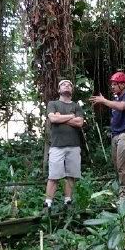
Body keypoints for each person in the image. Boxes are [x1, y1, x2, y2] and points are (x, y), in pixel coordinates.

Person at [91, 71, 125, 200]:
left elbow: (121, 107)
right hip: (115, 135)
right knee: (118, 167)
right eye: (112, 84)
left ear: (123, 85)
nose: (112, 86)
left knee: (123, 167)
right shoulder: (115, 99)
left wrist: (104, 100)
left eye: (115, 84)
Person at [44, 79, 85, 212]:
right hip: (57, 146)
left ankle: (68, 202)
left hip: (74, 146)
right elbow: (53, 118)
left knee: (71, 175)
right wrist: (71, 116)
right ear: (59, 90)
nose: (66, 86)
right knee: (53, 176)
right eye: (63, 84)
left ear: (72, 90)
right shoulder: (53, 104)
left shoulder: (76, 106)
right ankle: (48, 204)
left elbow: (80, 123)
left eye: (69, 85)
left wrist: (61, 117)